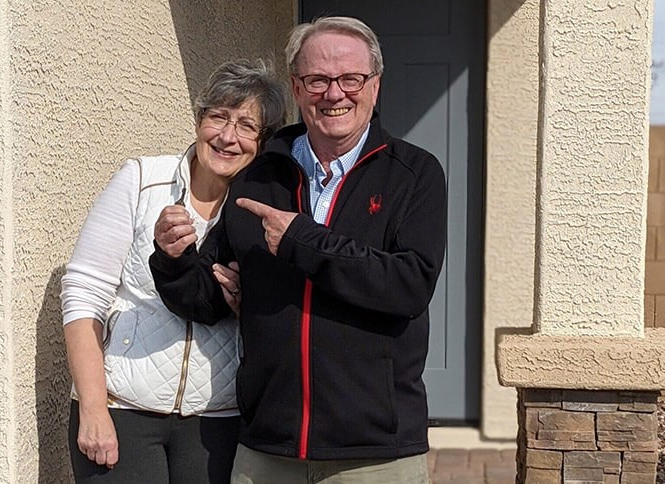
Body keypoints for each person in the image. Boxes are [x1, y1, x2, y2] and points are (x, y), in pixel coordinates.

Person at [150, 16, 447, 483]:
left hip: (374, 455)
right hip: (267, 450)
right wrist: (172, 260)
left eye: (351, 78)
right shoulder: (258, 176)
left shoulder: (415, 174)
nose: (334, 94)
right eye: (317, 80)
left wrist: (302, 241)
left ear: (375, 86)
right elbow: (209, 300)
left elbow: (408, 286)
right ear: (295, 86)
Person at [60, 59, 286, 484]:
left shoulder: (263, 210)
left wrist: (247, 306)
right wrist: (93, 407)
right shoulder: (141, 179)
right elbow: (83, 293)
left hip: (216, 422)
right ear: (199, 119)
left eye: (246, 125)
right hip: (122, 410)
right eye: (217, 116)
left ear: (263, 140)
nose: (227, 136)